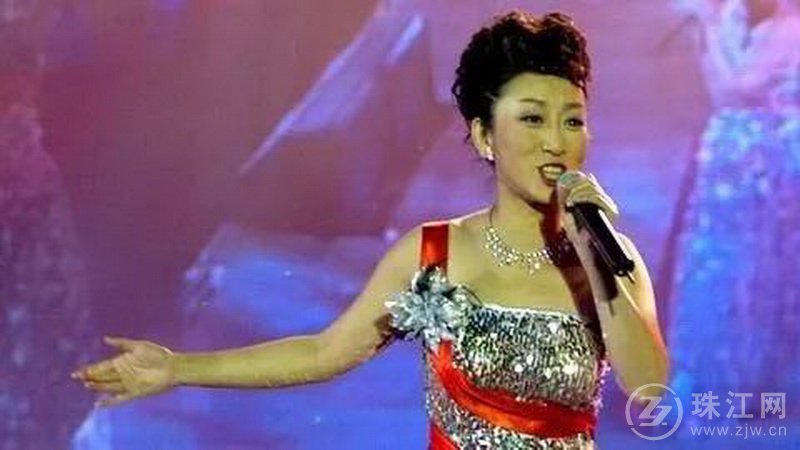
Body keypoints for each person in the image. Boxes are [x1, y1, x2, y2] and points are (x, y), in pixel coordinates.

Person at [72, 11, 669, 448]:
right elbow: (325, 352)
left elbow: (648, 390)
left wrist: (596, 261)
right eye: (533, 119)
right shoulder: (433, 253)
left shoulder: (612, 257)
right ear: (485, 136)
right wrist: (178, 368)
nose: (556, 141)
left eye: (573, 121)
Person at [668, 0, 800, 410]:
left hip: (776, 165)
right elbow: (720, 95)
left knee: (769, 273)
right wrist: (708, 35)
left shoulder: (791, 27)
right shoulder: (730, 20)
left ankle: (766, 378)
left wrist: (707, 32)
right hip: (729, 164)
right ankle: (713, 375)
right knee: (717, 266)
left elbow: (739, 87)